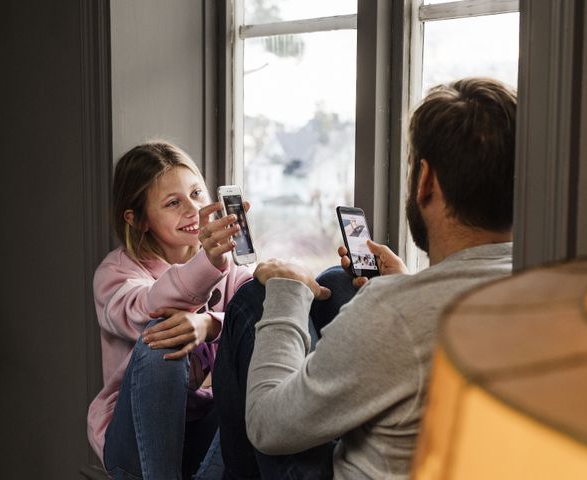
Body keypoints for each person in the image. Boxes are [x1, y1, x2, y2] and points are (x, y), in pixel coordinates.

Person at [211, 77, 517, 479]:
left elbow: (268, 427)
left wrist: (287, 293)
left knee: (255, 299)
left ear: (425, 180)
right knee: (339, 283)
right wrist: (407, 284)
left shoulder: (395, 314)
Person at [87, 141, 252, 479]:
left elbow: (249, 320)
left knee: (258, 329)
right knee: (162, 334)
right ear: (138, 219)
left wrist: (209, 324)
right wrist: (208, 264)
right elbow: (145, 310)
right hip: (133, 442)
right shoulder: (115, 274)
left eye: (196, 194)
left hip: (202, 432)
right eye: (173, 203)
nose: (193, 210)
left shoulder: (230, 268)